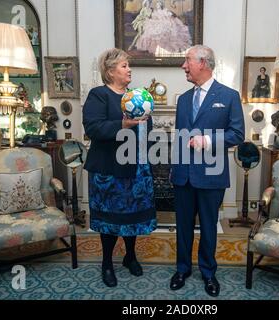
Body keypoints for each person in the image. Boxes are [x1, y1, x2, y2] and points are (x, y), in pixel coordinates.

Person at [169, 45, 245, 297]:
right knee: (183, 226)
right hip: (183, 175)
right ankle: (182, 269)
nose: (183, 66)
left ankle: (208, 272)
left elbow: (237, 134)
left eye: (187, 61)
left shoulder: (229, 96)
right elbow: (180, 138)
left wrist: (208, 140)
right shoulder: (182, 99)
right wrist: (174, 170)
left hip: (212, 175)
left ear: (203, 63)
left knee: (209, 226)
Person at [82, 48, 156, 288]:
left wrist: (145, 130)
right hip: (107, 169)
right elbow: (93, 128)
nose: (129, 69)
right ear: (110, 70)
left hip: (135, 166)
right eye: (124, 66)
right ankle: (106, 263)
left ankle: (130, 256)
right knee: (109, 220)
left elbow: (147, 129)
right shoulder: (98, 95)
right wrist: (122, 124)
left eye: (128, 65)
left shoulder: (138, 96)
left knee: (132, 216)